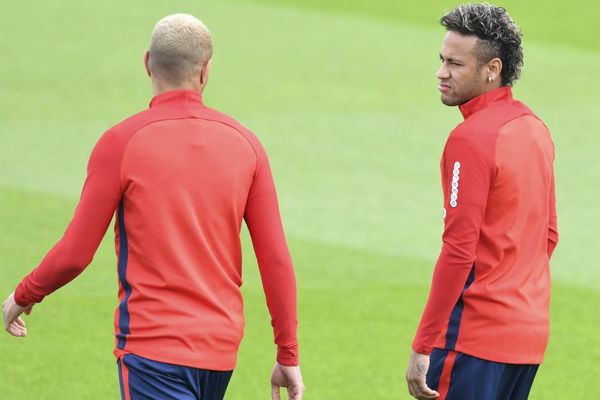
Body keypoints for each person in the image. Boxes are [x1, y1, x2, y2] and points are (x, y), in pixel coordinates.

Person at [2, 13, 304, 400]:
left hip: (151, 350)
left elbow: (76, 253)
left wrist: (23, 294)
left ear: (148, 63)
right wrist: (287, 353)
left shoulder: (122, 142)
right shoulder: (247, 145)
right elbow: (275, 258)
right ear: (206, 70)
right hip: (219, 354)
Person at [405, 4, 558, 400]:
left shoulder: (471, 139)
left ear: (492, 68)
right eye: (441, 60)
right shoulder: (534, 128)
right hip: (527, 338)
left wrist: (424, 344)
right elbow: (549, 235)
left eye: (455, 64)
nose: (441, 72)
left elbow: (459, 250)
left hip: (472, 339)